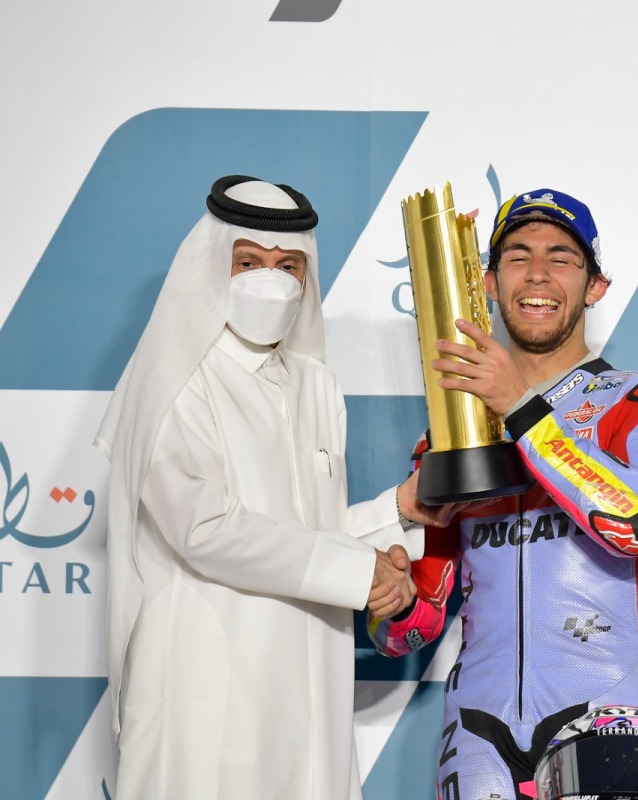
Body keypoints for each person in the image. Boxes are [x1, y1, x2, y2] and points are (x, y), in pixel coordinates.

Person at [95, 175, 458, 799]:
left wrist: (396, 512)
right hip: (208, 687)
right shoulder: (172, 379)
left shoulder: (315, 385)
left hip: (308, 686)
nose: (271, 279)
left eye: (289, 265)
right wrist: (361, 571)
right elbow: (203, 531)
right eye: (248, 263)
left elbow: (302, 532)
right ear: (213, 267)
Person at [372, 188, 638, 800]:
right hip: (476, 731)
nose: (537, 274)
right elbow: (412, 631)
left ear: (595, 286)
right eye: (518, 256)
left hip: (604, 722)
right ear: (490, 282)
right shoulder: (456, 434)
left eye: (561, 258)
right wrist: (392, 603)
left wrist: (521, 410)